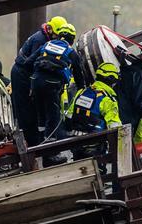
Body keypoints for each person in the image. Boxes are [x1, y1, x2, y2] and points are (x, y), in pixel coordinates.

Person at [11, 17, 63, 145]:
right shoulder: (40, 40)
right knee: (26, 111)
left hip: (24, 72)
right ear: (50, 30)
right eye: (56, 35)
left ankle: (32, 140)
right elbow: (35, 64)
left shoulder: (44, 37)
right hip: (21, 75)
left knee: (31, 109)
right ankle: (30, 142)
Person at [54, 62, 122, 160]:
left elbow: (68, 117)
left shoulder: (81, 92)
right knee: (99, 171)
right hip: (95, 145)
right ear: (110, 80)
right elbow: (115, 128)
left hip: (76, 143)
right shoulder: (107, 99)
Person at [30, 21, 84, 143]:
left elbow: (29, 61)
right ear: (72, 39)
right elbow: (79, 77)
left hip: (36, 82)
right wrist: (82, 89)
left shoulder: (46, 45)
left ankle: (39, 144)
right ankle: (50, 153)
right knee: (53, 117)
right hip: (52, 86)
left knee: (41, 116)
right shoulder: (71, 52)